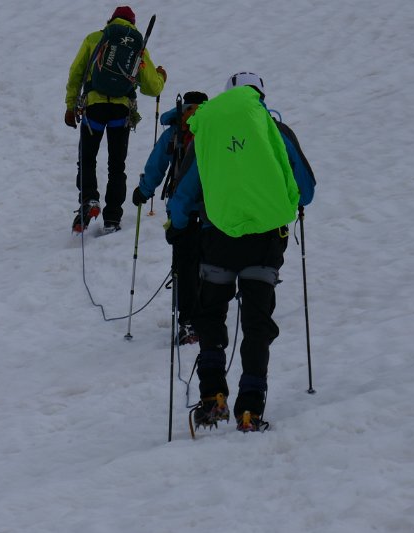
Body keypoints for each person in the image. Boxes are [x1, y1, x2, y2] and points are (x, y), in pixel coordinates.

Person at [166, 72, 316, 432]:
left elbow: (183, 194)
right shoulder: (275, 130)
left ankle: (212, 394)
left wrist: (178, 226)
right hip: (265, 242)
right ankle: (250, 407)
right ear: (259, 96)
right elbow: (306, 189)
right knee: (257, 322)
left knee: (211, 315)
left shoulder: (209, 133)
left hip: (218, 238)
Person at [64, 6, 165, 234]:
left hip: (94, 109)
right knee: (117, 165)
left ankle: (89, 199)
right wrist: (161, 76)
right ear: (132, 24)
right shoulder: (137, 47)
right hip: (121, 112)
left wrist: (71, 106)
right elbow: (152, 87)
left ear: (111, 20)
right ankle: (112, 219)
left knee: (87, 158)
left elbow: (76, 72)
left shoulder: (95, 38)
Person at [131, 90, 209, 344]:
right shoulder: (214, 128)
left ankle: (188, 323)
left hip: (180, 209)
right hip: (214, 210)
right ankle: (208, 315)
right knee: (211, 261)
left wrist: (144, 191)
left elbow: (157, 164)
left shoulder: (175, 131)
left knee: (185, 265)